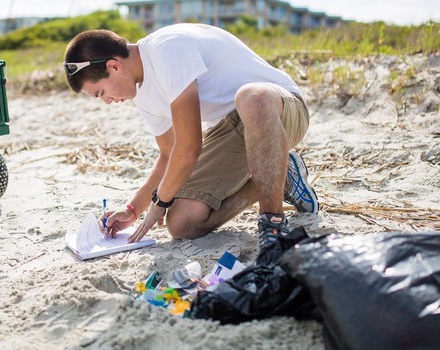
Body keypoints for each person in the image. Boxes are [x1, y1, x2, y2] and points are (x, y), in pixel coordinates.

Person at [63, 23, 318, 249]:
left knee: (252, 97)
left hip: (280, 109)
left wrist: (160, 202)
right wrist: (133, 210)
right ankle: (281, 177)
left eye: (100, 93)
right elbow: (168, 155)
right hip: (236, 128)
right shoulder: (142, 95)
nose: (106, 101)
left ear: (114, 66)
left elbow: (189, 148)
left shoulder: (166, 49)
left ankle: (272, 222)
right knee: (183, 222)